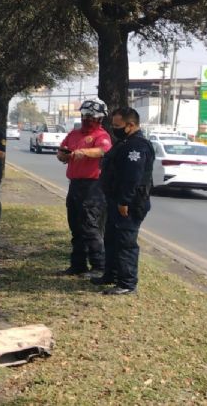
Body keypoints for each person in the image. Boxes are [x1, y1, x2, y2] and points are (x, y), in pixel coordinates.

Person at [93, 107, 154, 295]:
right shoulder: (124, 143)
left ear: (131, 125)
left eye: (117, 125)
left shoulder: (137, 146)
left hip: (129, 202)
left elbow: (132, 177)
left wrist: (124, 201)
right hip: (115, 199)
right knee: (111, 239)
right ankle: (110, 275)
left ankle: (127, 283)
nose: (114, 128)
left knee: (125, 241)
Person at [56, 98, 112, 277]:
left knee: (90, 227)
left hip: (93, 187)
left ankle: (99, 266)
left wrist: (84, 152)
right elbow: (62, 150)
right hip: (75, 185)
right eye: (85, 115)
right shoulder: (74, 134)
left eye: (92, 117)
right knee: (75, 227)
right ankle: (78, 264)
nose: (87, 119)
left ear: (100, 119)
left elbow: (102, 151)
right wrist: (63, 155)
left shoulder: (101, 135)